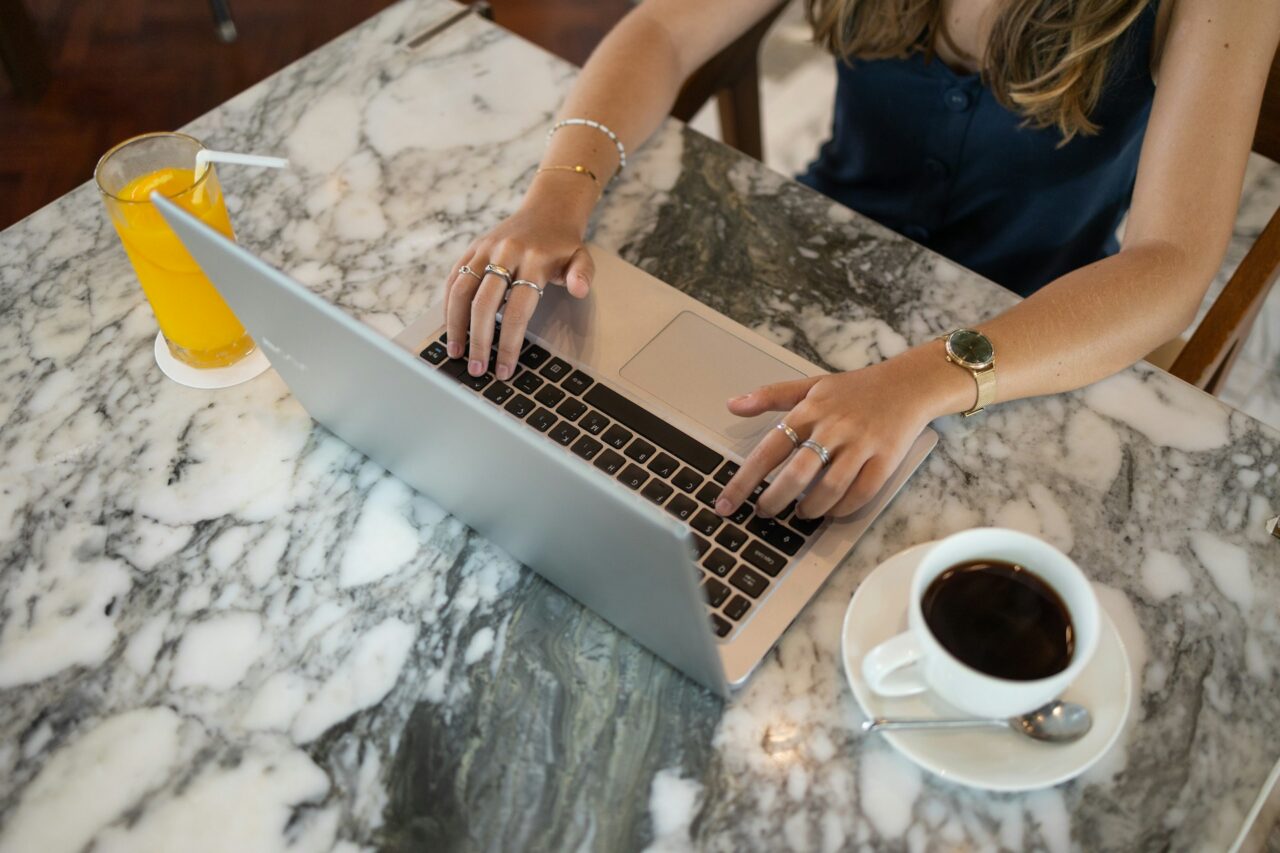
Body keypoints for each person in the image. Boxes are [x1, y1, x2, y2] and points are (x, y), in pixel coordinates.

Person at [440, 0, 1280, 523]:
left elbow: (1170, 264)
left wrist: (923, 380)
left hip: (1027, 331)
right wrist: (557, 195)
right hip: (809, 253)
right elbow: (664, 26)